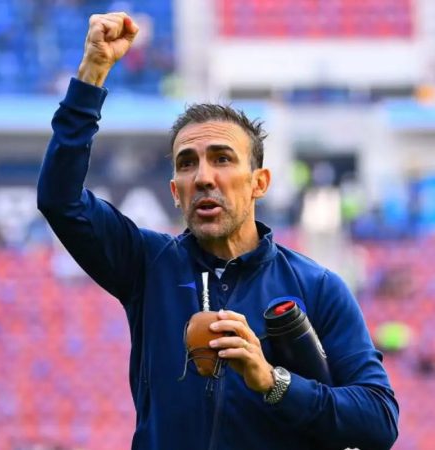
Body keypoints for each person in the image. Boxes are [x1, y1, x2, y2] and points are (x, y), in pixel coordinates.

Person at [37, 12, 399, 450]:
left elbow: (379, 420)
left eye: (222, 159)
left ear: (259, 183)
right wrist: (92, 73)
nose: (204, 177)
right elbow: (60, 200)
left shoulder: (317, 286)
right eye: (187, 163)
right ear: (176, 192)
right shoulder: (147, 265)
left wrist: (273, 382)